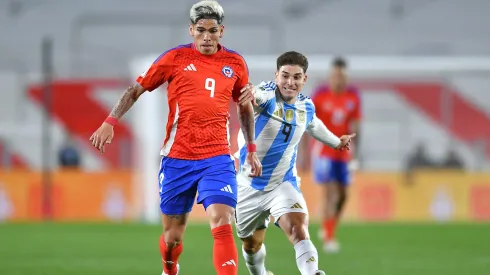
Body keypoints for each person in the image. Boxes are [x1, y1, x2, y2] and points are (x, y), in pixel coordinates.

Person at [89, 1, 262, 275]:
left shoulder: (235, 63)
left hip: (216, 157)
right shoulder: (175, 58)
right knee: (172, 237)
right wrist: (110, 121)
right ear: (191, 30)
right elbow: (136, 89)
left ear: (222, 31)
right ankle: (170, 268)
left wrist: (251, 148)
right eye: (201, 30)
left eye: (213, 31)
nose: (207, 36)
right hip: (177, 158)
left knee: (221, 219)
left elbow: (244, 106)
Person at [234, 51, 355, 275]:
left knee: (298, 229)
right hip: (247, 186)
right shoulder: (267, 96)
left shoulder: (306, 107)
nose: (290, 82)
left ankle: (312, 272)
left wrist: (337, 142)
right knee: (252, 245)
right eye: (285, 76)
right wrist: (251, 92)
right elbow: (257, 96)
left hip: (283, 183)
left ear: (304, 79)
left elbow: (314, 125)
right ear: (276, 75)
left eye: (297, 77)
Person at [310, 57, 362, 253]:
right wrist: (305, 154)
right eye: (335, 76)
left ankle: (328, 225)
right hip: (324, 151)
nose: (338, 80)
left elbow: (356, 126)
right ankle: (329, 238)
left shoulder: (353, 97)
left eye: (341, 76)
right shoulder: (321, 95)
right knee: (331, 194)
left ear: (346, 77)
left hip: (344, 153)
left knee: (343, 196)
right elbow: (309, 122)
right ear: (330, 77)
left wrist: (356, 154)